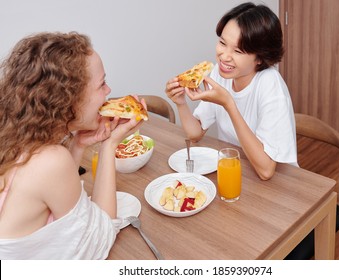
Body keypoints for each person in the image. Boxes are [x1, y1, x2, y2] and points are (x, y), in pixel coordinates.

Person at [0, 32, 144, 259]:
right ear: (69, 99)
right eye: (102, 84)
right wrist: (110, 145)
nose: (108, 91)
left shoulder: (16, 142)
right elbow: (99, 239)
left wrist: (77, 146)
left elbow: (56, 206)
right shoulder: (50, 161)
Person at [165, 2, 297, 180]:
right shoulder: (220, 74)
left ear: (259, 58)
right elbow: (195, 134)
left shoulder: (270, 85)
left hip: (282, 183)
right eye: (222, 43)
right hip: (239, 170)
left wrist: (229, 104)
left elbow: (266, 171)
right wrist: (180, 103)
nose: (224, 56)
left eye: (237, 51)